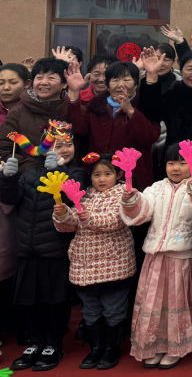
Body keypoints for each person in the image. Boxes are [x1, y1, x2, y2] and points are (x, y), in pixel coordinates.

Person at [120, 142, 192, 368]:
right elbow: (142, 213)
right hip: (154, 256)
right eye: (171, 163)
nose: (176, 168)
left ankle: (176, 347)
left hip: (181, 257)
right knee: (152, 304)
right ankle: (154, 346)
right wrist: (131, 199)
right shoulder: (155, 188)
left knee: (176, 303)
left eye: (182, 163)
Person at [1, 127, 83, 371]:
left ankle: (53, 343)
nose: (63, 149)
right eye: (56, 145)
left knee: (55, 301)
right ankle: (34, 342)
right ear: (44, 148)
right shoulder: (29, 173)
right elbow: (11, 199)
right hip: (28, 249)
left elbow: (71, 199)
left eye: (68, 144)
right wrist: (8, 178)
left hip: (55, 250)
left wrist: (57, 173)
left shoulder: (77, 172)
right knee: (30, 301)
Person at [52, 153, 136, 370]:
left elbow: (115, 221)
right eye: (97, 174)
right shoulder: (85, 194)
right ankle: (96, 347)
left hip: (113, 262)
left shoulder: (124, 194)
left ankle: (111, 347)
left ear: (118, 175)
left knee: (113, 308)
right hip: (84, 264)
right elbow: (70, 224)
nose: (101, 179)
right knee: (90, 310)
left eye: (107, 174)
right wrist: (63, 214)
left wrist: (88, 217)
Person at [66, 60, 161, 190]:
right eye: (115, 80)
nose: (121, 85)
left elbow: (149, 137)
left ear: (135, 84)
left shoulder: (145, 104)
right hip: (99, 175)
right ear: (108, 85)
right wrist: (74, 92)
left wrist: (130, 111)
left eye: (126, 80)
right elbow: (80, 129)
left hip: (133, 177)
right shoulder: (96, 105)